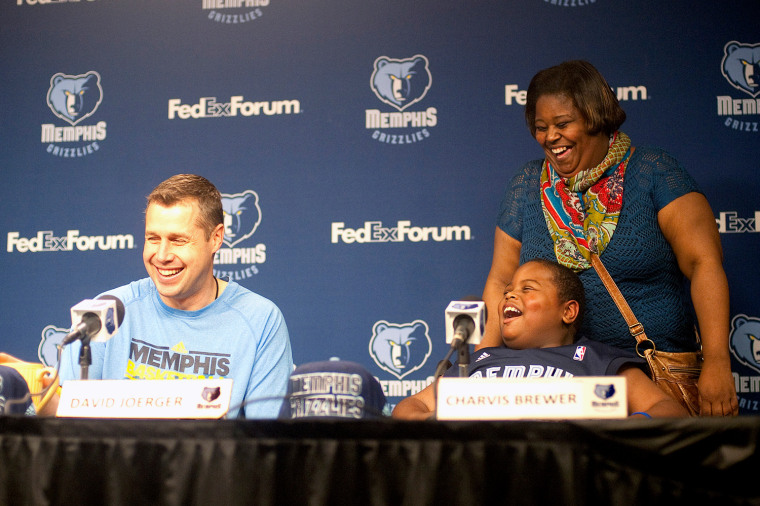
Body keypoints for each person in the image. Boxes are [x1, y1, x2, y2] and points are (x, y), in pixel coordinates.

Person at [479, 60, 737, 416]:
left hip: (649, 380)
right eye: (541, 127)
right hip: (556, 387)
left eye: (563, 124)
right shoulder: (527, 183)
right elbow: (500, 280)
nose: (549, 137)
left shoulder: (654, 172)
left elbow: (704, 264)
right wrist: (480, 364)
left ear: (595, 116)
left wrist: (718, 362)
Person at [59, 174, 293, 419]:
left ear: (216, 238)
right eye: (153, 238)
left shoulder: (261, 319)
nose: (161, 255)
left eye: (177, 240)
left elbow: (267, 440)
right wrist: (30, 385)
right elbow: (63, 416)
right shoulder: (107, 311)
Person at [392, 259, 688, 420]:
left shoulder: (598, 359)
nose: (510, 294)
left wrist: (628, 427)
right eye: (508, 290)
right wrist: (431, 420)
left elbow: (669, 409)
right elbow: (408, 406)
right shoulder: (481, 359)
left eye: (528, 289)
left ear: (568, 311)